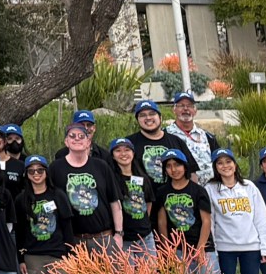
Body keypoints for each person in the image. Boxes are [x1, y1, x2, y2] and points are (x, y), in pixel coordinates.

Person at [155, 150, 226, 274]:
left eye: (177, 165)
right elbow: (162, 221)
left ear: (185, 166)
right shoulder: (162, 192)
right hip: (178, 250)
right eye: (169, 166)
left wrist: (200, 249)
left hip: (202, 248)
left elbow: (206, 221)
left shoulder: (198, 190)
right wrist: (167, 247)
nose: (173, 169)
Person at [56, 121, 123, 254]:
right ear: (66, 142)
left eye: (81, 136)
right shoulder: (56, 168)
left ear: (88, 142)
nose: (77, 139)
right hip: (75, 240)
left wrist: (119, 234)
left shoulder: (101, 166)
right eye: (72, 136)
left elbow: (115, 202)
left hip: (104, 238)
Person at [108, 138, 156, 256]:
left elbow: (149, 202)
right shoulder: (111, 180)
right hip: (124, 239)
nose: (123, 154)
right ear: (113, 156)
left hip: (145, 236)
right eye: (118, 151)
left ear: (133, 153)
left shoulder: (142, 177)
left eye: (127, 150)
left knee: (150, 273)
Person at [124, 100, 186, 188]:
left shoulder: (176, 141)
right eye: (142, 115)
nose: (148, 118)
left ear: (160, 117)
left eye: (152, 113)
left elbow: (191, 171)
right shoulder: (128, 143)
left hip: (174, 199)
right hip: (142, 199)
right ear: (137, 120)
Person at [167, 91, 221, 171]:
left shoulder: (207, 137)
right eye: (181, 105)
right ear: (174, 110)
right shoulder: (165, 135)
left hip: (209, 183)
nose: (185, 109)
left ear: (195, 111)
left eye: (189, 106)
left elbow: (219, 161)